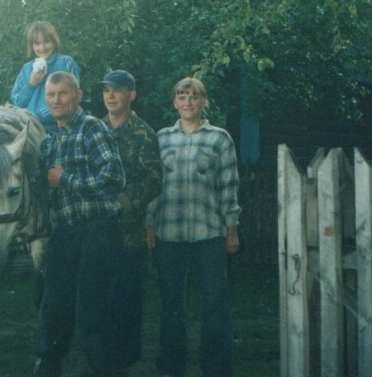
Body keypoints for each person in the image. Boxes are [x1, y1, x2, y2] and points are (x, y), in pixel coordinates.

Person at [145, 77, 241, 377]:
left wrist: (231, 228)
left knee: (215, 306)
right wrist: (149, 224)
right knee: (172, 305)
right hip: (169, 234)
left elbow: (229, 187)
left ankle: (216, 369)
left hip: (209, 234)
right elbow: (153, 186)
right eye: (182, 96)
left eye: (194, 97)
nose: (188, 102)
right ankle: (172, 368)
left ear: (204, 102)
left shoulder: (220, 139)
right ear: (174, 102)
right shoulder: (161, 139)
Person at [34, 71, 126, 377]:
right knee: (53, 309)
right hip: (65, 233)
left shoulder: (92, 128)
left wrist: (66, 179)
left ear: (78, 96)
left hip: (98, 231)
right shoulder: (50, 141)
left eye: (63, 94)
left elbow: (113, 178)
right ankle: (48, 369)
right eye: (51, 95)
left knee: (92, 313)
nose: (56, 100)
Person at [98, 70, 162, 370]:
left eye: (117, 90)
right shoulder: (94, 130)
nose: (110, 96)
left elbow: (152, 180)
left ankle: (126, 361)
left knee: (126, 302)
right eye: (106, 90)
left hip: (128, 234)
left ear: (131, 94)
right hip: (96, 232)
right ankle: (103, 360)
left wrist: (121, 204)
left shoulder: (143, 133)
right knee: (100, 302)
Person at [11, 21, 81, 132]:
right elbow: (17, 102)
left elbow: (72, 98)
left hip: (60, 127)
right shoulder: (26, 69)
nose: (42, 47)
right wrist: (31, 84)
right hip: (31, 130)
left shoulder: (65, 62)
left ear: (54, 41)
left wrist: (36, 117)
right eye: (37, 44)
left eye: (47, 42)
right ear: (32, 46)